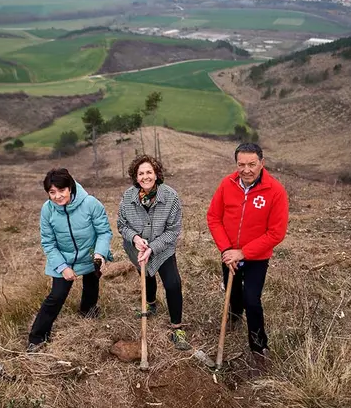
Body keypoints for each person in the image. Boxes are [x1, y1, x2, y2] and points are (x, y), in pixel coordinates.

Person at [206, 143, 289, 370]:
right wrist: (226, 250)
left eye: (252, 164)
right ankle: (234, 317)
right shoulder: (227, 184)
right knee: (232, 290)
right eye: (241, 164)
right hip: (229, 254)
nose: (246, 170)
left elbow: (276, 232)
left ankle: (259, 348)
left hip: (256, 257)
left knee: (252, 299)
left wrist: (243, 252)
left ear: (262, 163)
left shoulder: (275, 190)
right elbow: (214, 217)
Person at [28, 168, 112, 352]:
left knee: (92, 282)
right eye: (52, 192)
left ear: (70, 188)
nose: (57, 196)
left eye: (61, 190)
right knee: (56, 295)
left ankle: (88, 311)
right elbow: (48, 243)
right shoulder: (47, 210)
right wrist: (62, 267)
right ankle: (37, 337)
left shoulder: (90, 203)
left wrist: (100, 253)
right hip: (63, 257)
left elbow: (104, 232)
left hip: (90, 253)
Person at [117, 155, 191, 350]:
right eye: (140, 173)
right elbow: (122, 225)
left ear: (156, 174)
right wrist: (135, 238)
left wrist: (153, 247)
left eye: (149, 172)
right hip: (137, 248)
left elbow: (173, 231)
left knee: (173, 284)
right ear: (136, 177)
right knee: (146, 275)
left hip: (162, 249)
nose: (145, 177)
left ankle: (177, 327)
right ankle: (150, 304)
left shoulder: (171, 197)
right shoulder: (127, 197)